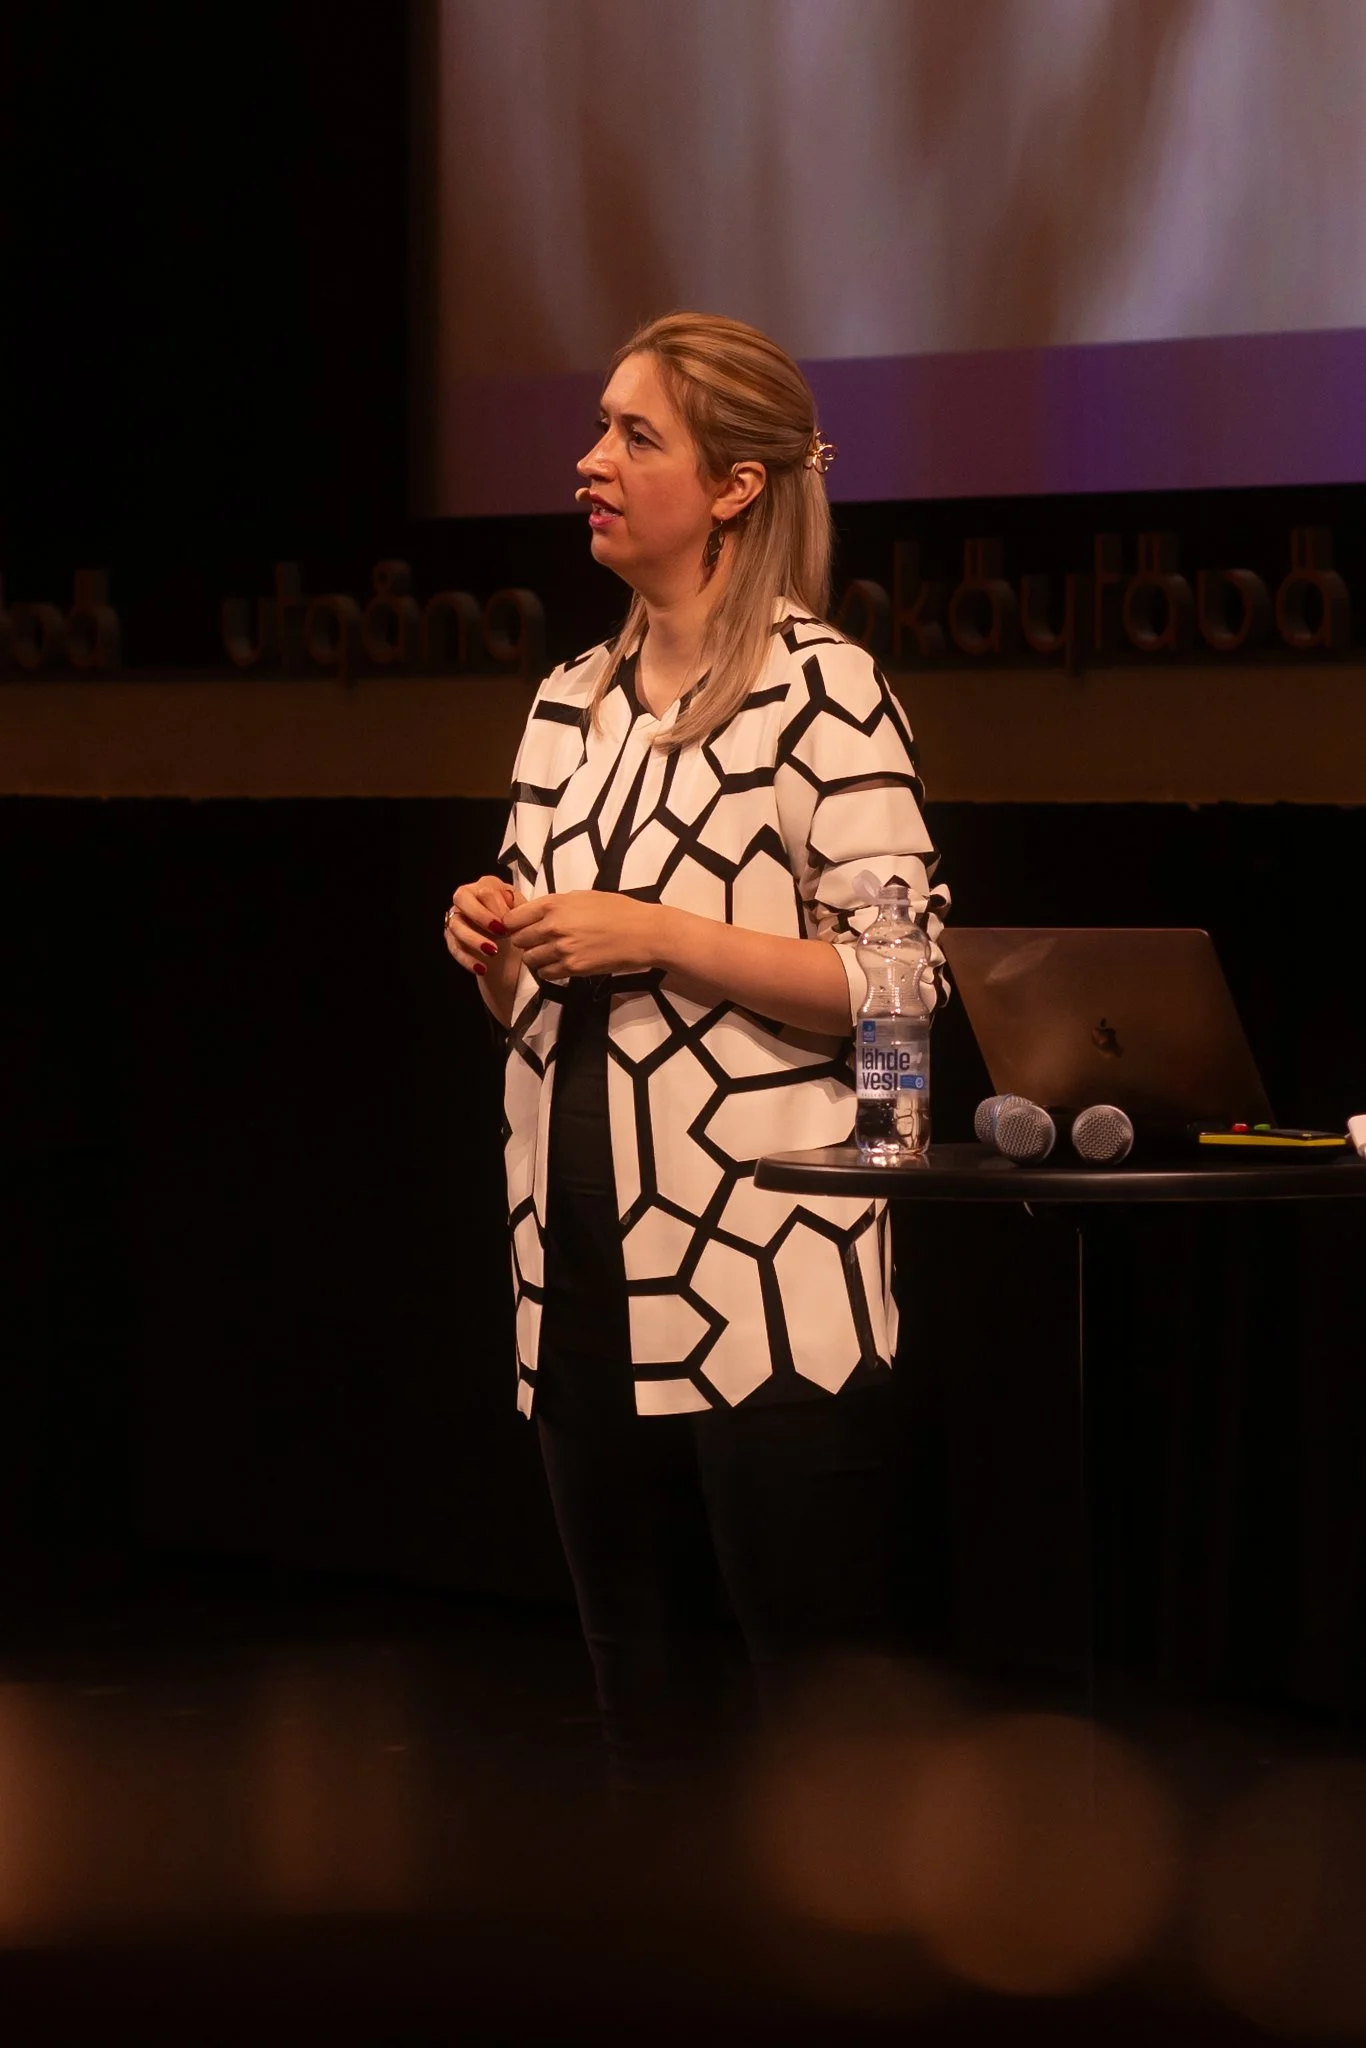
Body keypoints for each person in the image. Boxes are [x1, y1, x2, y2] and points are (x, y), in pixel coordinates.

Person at [443, 312, 947, 1799]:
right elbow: (534, 1000)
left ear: (735, 485)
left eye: (634, 435)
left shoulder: (822, 689)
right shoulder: (565, 706)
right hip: (581, 1265)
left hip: (767, 1272)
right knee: (634, 1697)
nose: (589, 462)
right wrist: (492, 945)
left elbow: (899, 985)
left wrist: (650, 931)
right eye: (597, 429)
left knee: (816, 1719)